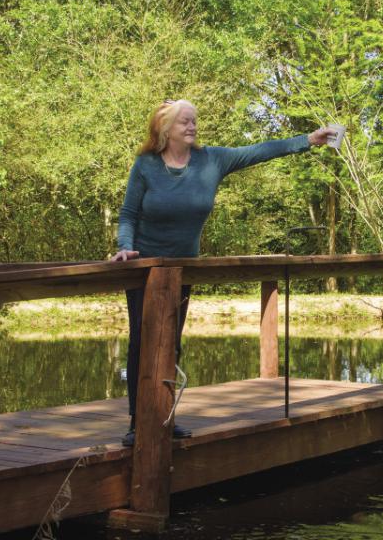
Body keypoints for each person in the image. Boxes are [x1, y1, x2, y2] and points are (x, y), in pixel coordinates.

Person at [112, 98, 335, 446]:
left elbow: (259, 150)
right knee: (142, 342)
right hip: (143, 268)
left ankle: (164, 418)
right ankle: (138, 423)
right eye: (185, 122)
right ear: (166, 129)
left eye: (194, 121)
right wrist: (124, 245)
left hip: (181, 270)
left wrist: (307, 140)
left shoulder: (211, 160)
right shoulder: (146, 165)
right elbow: (128, 214)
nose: (192, 127)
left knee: (171, 344)